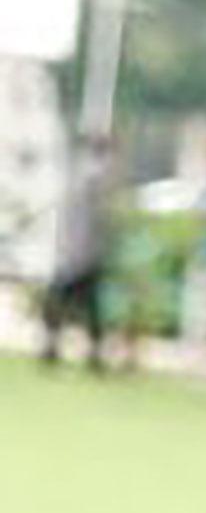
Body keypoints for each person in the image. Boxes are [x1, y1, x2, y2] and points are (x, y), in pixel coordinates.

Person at [40, 132, 115, 370]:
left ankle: (65, 350)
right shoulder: (90, 175)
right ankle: (66, 350)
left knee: (74, 305)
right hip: (79, 256)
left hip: (80, 256)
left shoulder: (88, 175)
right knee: (81, 306)